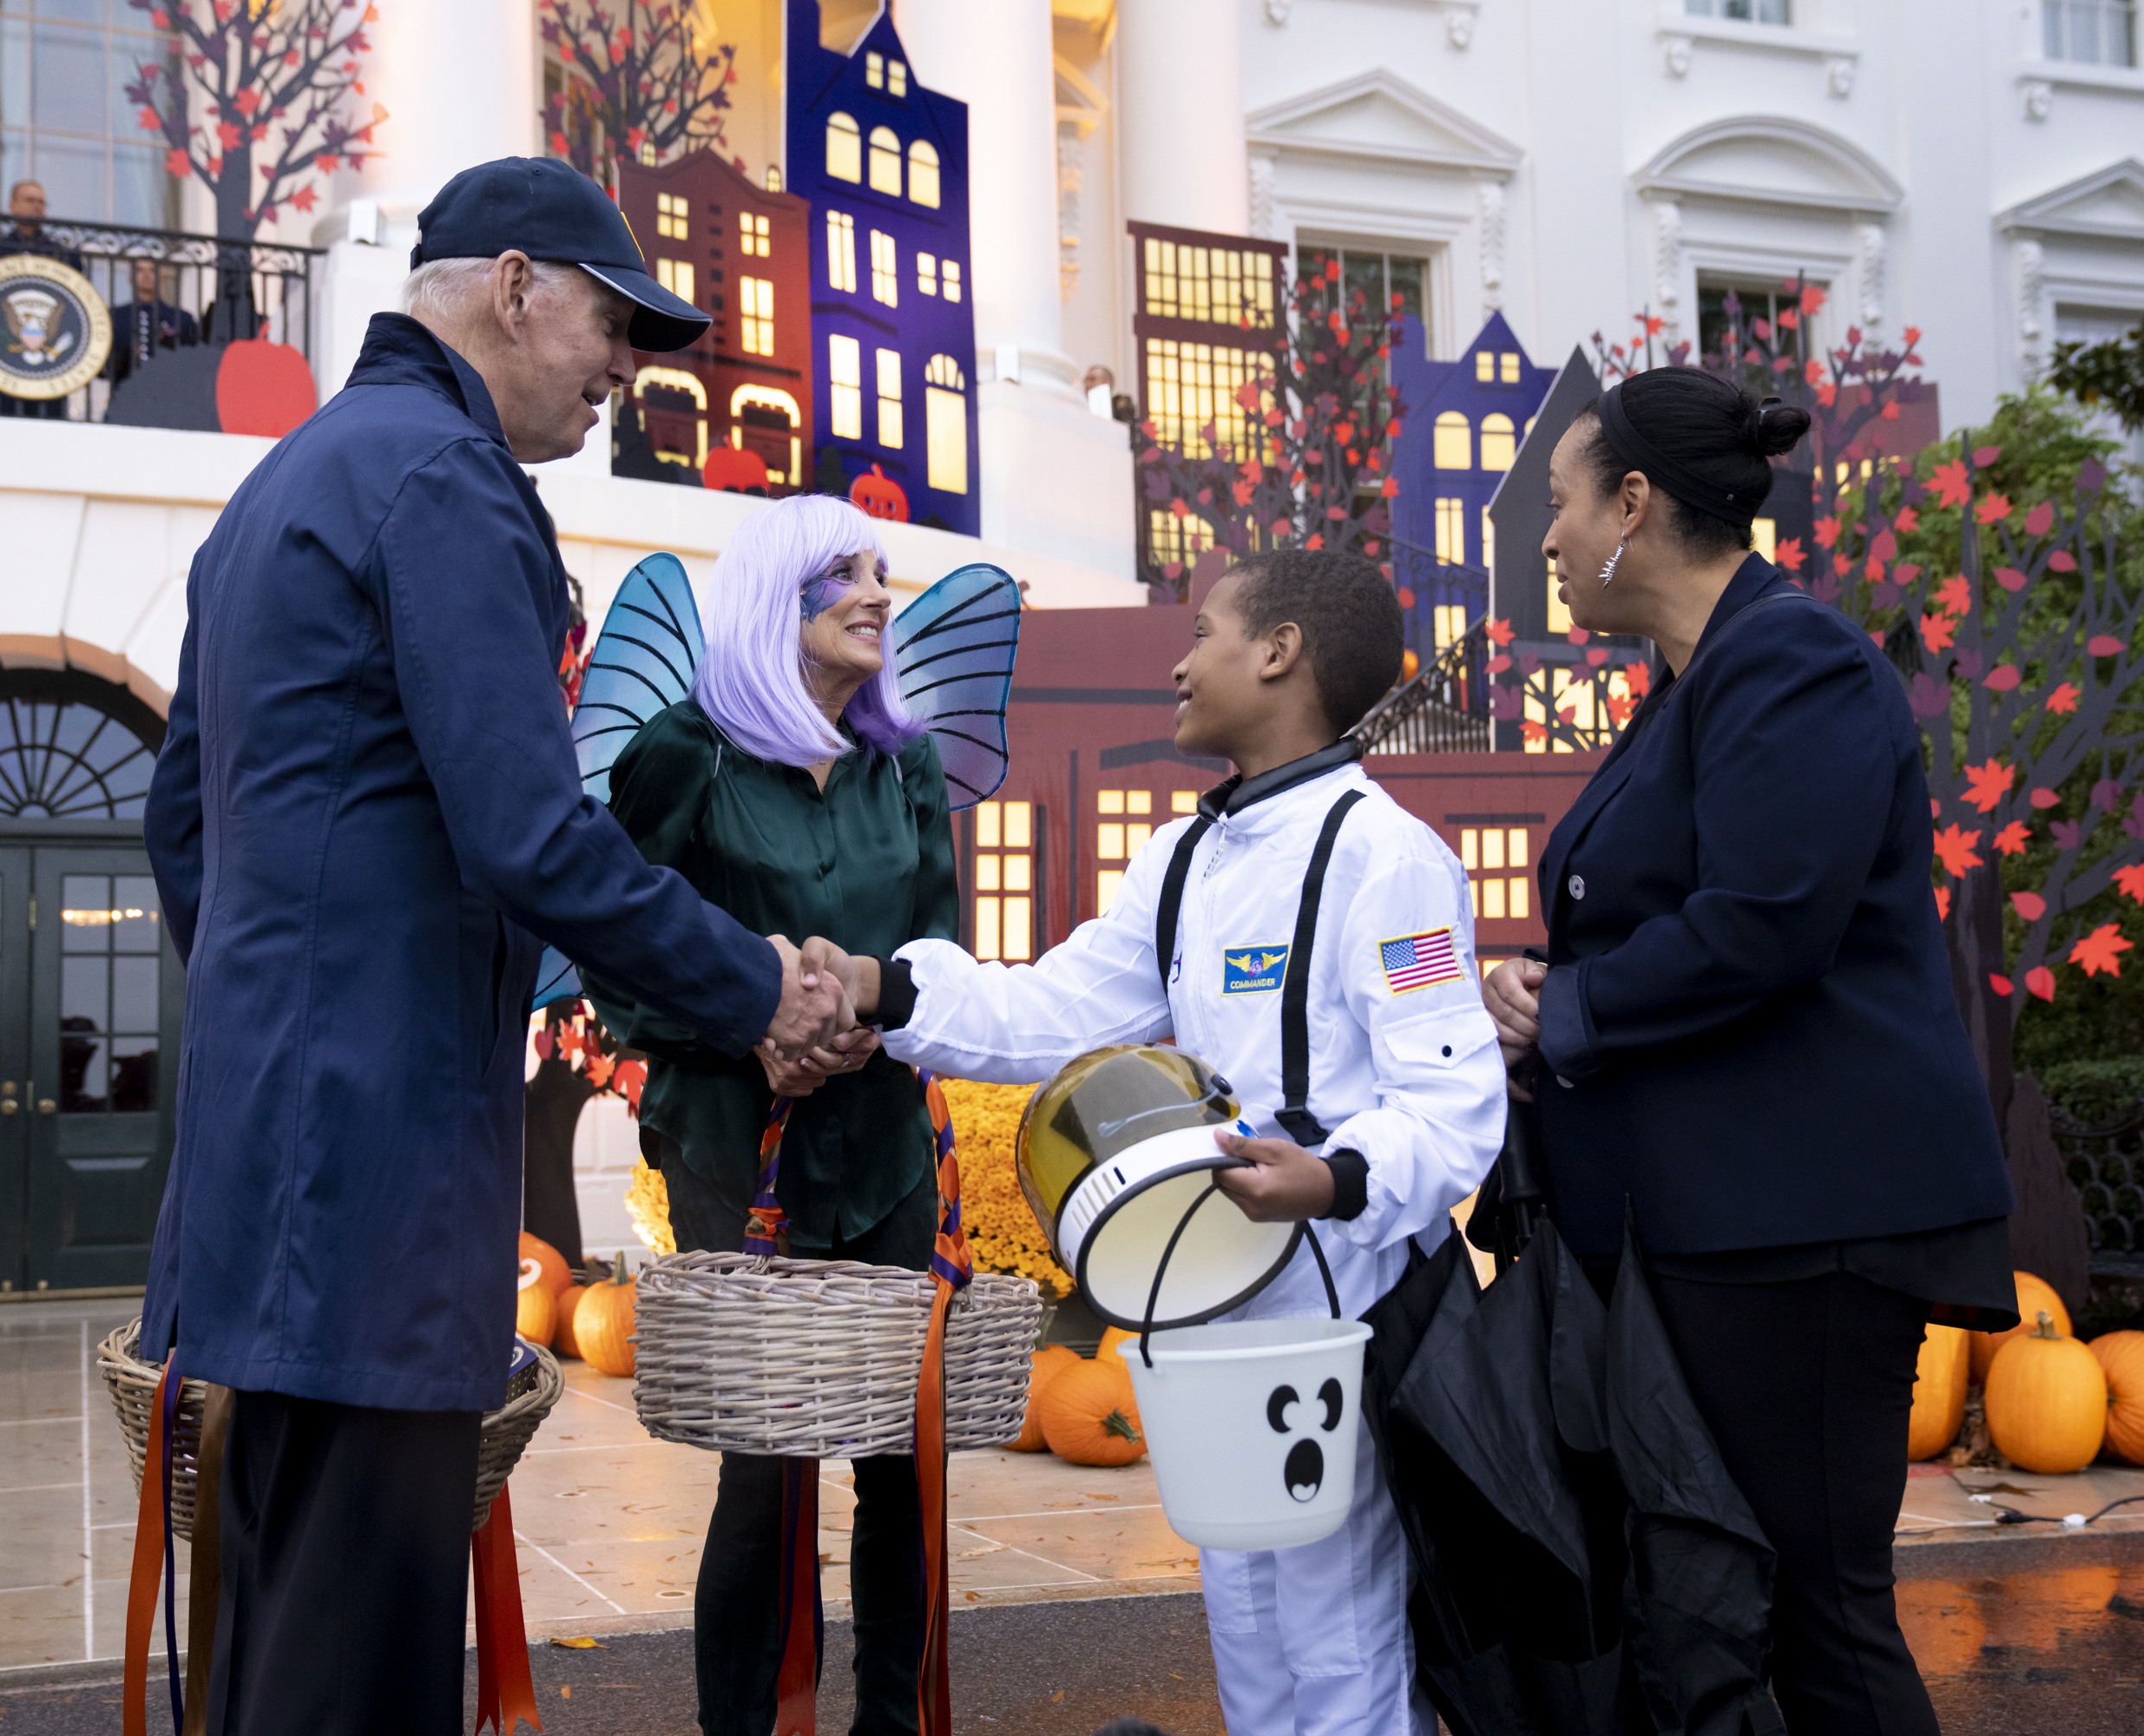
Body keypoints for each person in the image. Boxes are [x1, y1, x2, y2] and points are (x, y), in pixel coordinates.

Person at [139, 156, 856, 1736]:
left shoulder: (282, 485)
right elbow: (531, 838)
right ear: (516, 284)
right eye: (615, 325)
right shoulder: (448, 486)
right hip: (383, 1178)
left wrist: (295, 1014)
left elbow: (181, 828)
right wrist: (759, 990)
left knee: (277, 1614)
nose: (626, 373)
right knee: (359, 1659)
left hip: (267, 1161)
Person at [818, 549, 1505, 1736]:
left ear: (1281, 652)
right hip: (1205, 1306)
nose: (1178, 664)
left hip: (1333, 1312)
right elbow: (1057, 1007)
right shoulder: (1190, 858)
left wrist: (1334, 1178)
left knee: (1336, 1631)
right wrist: (889, 992)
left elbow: (1451, 1098)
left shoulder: (1387, 860)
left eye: (1205, 633)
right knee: (1244, 1612)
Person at [1479, 366, 2016, 1736]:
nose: (1544, 540)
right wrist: (1553, 990)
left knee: (1822, 1613)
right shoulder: (1692, 682)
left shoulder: (1794, 659)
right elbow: (1672, 919)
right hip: (1715, 1226)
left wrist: (1573, 1012)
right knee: (1723, 1606)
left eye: (1559, 504)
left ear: (1635, 505)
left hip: (1808, 1229)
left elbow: (1766, 922)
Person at [580, 491, 958, 1735]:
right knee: (770, 1461)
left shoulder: (906, 759)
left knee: (904, 1456)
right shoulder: (683, 753)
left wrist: (876, 1019)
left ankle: (889, 1723)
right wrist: (749, 1026)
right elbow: (615, 959)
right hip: (737, 1153)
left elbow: (938, 949)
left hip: (889, 1146)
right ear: (771, 596)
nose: (873, 592)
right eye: (840, 572)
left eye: (880, 571)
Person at [0, 181, 86, 418]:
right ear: (12, 206)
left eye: (41, 202)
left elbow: (76, 302)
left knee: (51, 421)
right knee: (5, 418)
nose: (37, 207)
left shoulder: (61, 254)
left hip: (50, 357)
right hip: (2, 353)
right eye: (30, 200)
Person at [103, 257, 201, 383]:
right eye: (140, 270)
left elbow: (192, 361)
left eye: (152, 270)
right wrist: (127, 356)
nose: (146, 275)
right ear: (130, 279)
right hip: (126, 391)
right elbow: (104, 362)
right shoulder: (114, 316)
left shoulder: (182, 318)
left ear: (161, 279)